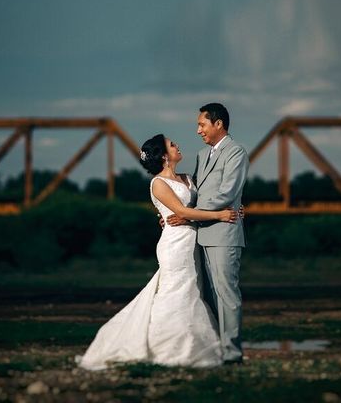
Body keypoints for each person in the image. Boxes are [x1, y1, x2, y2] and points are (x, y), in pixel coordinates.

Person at [76, 134, 242, 370]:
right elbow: (182, 212)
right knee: (175, 291)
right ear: (164, 156)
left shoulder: (188, 178)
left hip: (193, 242)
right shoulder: (158, 183)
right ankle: (166, 347)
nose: (177, 145)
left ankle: (196, 344)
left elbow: (200, 205)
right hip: (175, 244)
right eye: (172, 144)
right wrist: (218, 216)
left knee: (193, 290)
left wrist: (229, 208)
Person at [167, 103, 249, 364]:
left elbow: (227, 193)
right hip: (201, 234)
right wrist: (182, 211)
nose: (198, 130)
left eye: (202, 124)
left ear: (218, 124)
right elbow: (198, 192)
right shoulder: (203, 155)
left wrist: (189, 212)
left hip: (224, 233)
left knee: (227, 294)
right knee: (208, 295)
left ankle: (232, 354)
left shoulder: (236, 152)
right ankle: (216, 349)